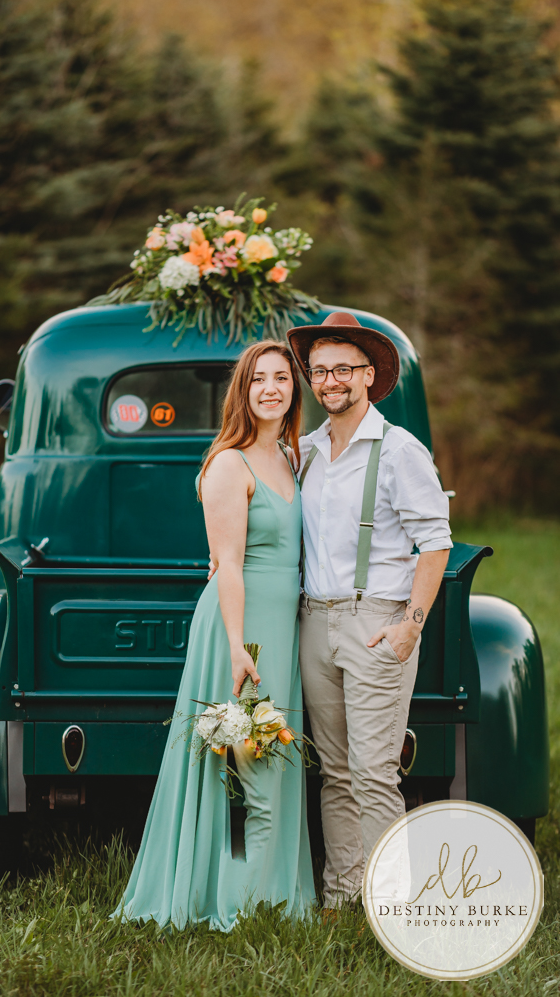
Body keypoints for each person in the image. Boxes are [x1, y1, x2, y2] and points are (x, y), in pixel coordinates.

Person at [114, 341, 316, 931]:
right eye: (259, 380)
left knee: (276, 764)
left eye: (282, 378)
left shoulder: (288, 457)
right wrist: (235, 647)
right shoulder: (230, 464)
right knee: (252, 761)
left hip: (283, 628)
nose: (272, 388)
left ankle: (272, 897)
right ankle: (240, 902)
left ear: (293, 390)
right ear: (243, 391)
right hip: (244, 630)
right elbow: (227, 563)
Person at [286, 311, 452, 911]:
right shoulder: (304, 452)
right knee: (333, 771)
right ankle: (342, 897)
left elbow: (435, 540)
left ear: (368, 375)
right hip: (314, 621)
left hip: (376, 619)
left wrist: (410, 626)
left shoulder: (398, 449)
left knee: (374, 772)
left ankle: (395, 908)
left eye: (343, 370)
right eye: (320, 370)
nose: (329, 380)